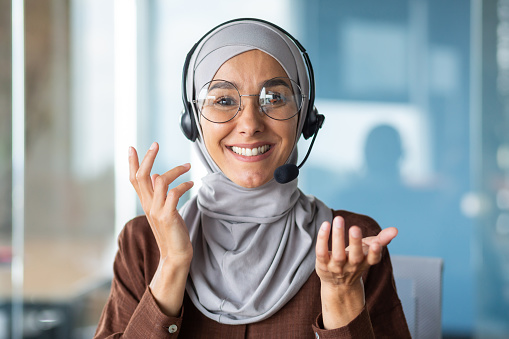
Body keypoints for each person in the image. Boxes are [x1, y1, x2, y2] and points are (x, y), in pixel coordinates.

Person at [94, 18, 411, 338]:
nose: (249, 124)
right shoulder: (143, 244)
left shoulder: (350, 246)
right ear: (192, 121)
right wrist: (173, 264)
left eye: (274, 98)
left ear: (304, 118)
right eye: (223, 100)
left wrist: (341, 294)